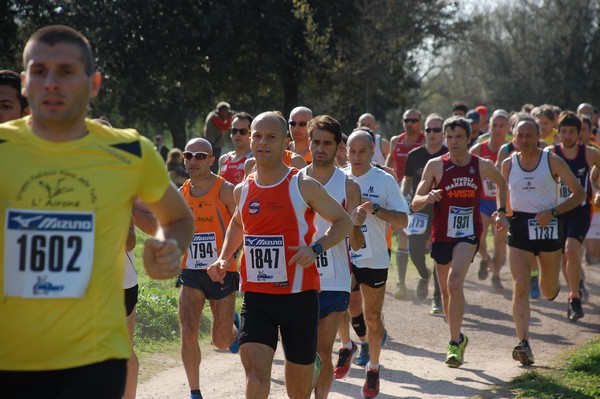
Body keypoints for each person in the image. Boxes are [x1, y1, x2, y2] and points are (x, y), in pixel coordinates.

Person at [0, 25, 194, 398]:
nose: (52, 83)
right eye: (39, 72)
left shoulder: (128, 151)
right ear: (25, 83)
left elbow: (180, 218)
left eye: (67, 72)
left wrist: (166, 248)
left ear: (94, 84)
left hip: (95, 358)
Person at [207, 111, 353, 399]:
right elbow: (238, 222)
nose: (263, 142)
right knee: (255, 374)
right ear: (250, 140)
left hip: (299, 298)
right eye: (257, 136)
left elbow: (344, 221)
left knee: (297, 391)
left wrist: (316, 248)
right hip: (257, 297)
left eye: (271, 137)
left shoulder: (303, 185)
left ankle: (309, 372)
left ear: (286, 142)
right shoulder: (245, 188)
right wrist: (225, 257)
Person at [412, 116, 508, 368]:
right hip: (442, 234)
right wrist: (428, 197)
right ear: (445, 138)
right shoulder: (435, 165)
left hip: (468, 232)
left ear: (468, 139)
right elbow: (415, 201)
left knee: (455, 282)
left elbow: (500, 181)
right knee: (445, 291)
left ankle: (453, 342)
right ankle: (458, 337)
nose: (453, 142)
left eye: (459, 137)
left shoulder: (481, 164)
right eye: (449, 137)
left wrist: (502, 210)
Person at [500, 115, 585, 366]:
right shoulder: (507, 164)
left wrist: (554, 212)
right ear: (513, 138)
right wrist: (501, 215)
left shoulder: (552, 160)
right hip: (519, 229)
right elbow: (503, 196)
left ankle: (556, 285)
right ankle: (523, 342)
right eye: (520, 135)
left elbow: (579, 194)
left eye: (530, 135)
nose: (525, 140)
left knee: (548, 292)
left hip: (548, 226)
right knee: (521, 284)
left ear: (539, 137)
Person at [300, 115, 365, 399]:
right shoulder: (296, 180)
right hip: (300, 276)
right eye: (316, 142)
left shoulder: (348, 186)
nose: (320, 148)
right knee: (302, 350)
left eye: (327, 143)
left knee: (322, 350)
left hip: (335, 277)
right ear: (309, 143)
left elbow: (358, 243)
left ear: (339, 146)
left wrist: (357, 223)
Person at [344, 129, 409, 398]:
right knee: (345, 307)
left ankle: (373, 367)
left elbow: (403, 221)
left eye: (363, 151)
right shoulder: (338, 177)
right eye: (352, 151)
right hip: (343, 255)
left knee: (372, 316)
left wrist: (376, 210)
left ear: (373, 152)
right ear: (345, 152)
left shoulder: (384, 180)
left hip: (375, 257)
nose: (357, 156)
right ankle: (348, 346)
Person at [177, 138, 239, 399]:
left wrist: (228, 258)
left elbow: (243, 227)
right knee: (188, 329)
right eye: (189, 155)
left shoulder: (226, 190)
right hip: (191, 270)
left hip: (223, 270)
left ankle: (236, 328)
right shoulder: (182, 192)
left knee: (221, 341)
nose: (194, 161)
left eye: (200, 156)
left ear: (212, 160)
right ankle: (195, 392)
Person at [545, 111, 600, 322]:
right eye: (564, 131)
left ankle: (574, 297)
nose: (567, 136)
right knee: (563, 256)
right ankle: (572, 289)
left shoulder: (589, 154)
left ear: (579, 134)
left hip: (580, 210)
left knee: (571, 249)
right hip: (556, 211)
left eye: (572, 132)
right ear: (559, 133)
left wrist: (595, 188)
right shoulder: (551, 153)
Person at [401, 113, 448, 313]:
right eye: (428, 130)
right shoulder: (415, 155)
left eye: (437, 130)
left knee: (438, 253)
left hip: (443, 210)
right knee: (415, 250)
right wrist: (402, 198)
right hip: (419, 208)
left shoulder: (448, 154)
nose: (432, 134)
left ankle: (437, 298)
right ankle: (423, 274)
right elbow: (408, 179)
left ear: (444, 133)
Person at [386, 109, 425, 299]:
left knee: (421, 237)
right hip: (401, 192)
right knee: (402, 232)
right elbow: (388, 166)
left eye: (414, 120)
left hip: (421, 193)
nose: (410, 123)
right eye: (406, 120)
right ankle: (401, 282)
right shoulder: (396, 141)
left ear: (420, 122)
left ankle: (423, 276)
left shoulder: (426, 141)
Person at [469, 110, 510, 291]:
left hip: (502, 203)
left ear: (508, 128)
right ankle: (485, 259)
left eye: (502, 126)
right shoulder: (478, 150)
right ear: (489, 127)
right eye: (495, 125)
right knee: (479, 238)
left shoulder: (512, 151)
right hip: (483, 201)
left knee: (500, 242)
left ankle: (496, 275)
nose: (498, 129)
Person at [218, 112, 253, 185]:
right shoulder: (223, 159)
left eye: (242, 131)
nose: (237, 135)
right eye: (234, 131)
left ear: (251, 133)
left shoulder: (255, 159)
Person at [203, 101, 233, 172]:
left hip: (213, 144)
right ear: (222, 111)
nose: (227, 113)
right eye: (226, 111)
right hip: (213, 145)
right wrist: (230, 117)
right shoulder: (215, 117)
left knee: (213, 165)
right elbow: (225, 127)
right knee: (213, 165)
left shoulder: (213, 115)